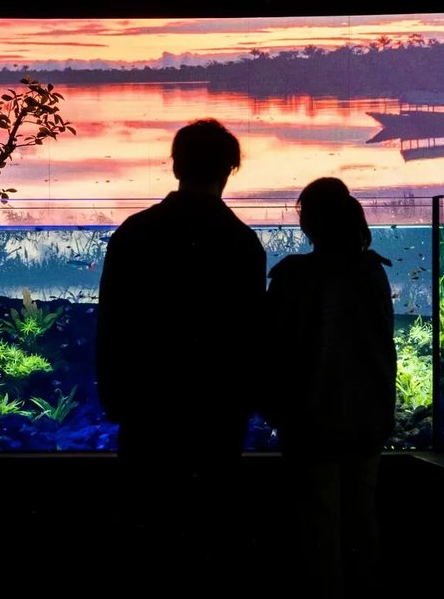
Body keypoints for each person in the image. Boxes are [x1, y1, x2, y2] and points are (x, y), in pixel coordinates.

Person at [95, 118, 267, 586]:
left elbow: (111, 321)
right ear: (230, 169)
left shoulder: (135, 233)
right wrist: (249, 401)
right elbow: (251, 335)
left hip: (147, 406)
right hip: (217, 411)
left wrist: (114, 394)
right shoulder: (242, 242)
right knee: (211, 525)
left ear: (174, 166)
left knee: (147, 524)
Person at [264, 177, 397, 597]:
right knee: (363, 521)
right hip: (367, 420)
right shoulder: (373, 272)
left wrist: (274, 407)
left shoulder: (292, 276)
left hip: (310, 422)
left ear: (310, 224)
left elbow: (275, 346)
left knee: (317, 528)